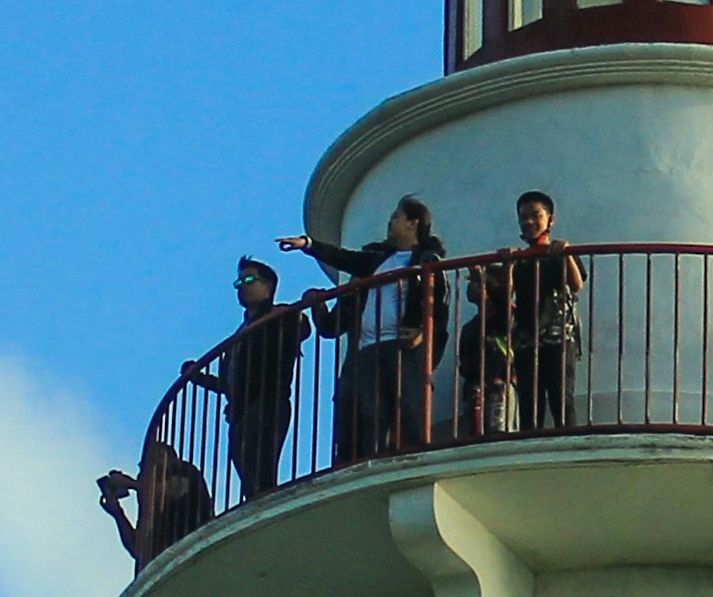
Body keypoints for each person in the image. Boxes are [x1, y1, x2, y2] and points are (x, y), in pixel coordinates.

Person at [289, 196, 447, 462]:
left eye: (396, 217)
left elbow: (438, 305)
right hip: (366, 350)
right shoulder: (375, 262)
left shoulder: (428, 261)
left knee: (407, 404)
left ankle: (417, 458)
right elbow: (344, 258)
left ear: (413, 223)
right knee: (371, 413)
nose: (390, 222)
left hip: (400, 346)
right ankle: (368, 461)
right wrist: (309, 245)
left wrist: (422, 332)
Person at [470, 189, 589, 438]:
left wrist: (565, 254)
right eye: (524, 217)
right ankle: (531, 440)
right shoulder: (521, 260)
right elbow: (508, 293)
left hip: (557, 334)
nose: (529, 222)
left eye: (536, 215)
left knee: (561, 396)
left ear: (550, 219)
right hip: (526, 337)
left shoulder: (558, 253)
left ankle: (569, 444)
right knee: (529, 401)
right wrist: (508, 265)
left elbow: (576, 284)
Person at [215, 254, 306, 499]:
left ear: (268, 286)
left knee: (260, 467)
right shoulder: (241, 332)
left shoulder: (277, 316)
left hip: (267, 402)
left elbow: (301, 328)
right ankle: (256, 502)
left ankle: (264, 503)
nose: (242, 286)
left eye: (249, 280)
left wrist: (292, 314)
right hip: (240, 411)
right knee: (246, 467)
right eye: (239, 282)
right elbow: (231, 384)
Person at [95, 431, 215, 561]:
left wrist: (133, 484)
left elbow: (175, 488)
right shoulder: (149, 503)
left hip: (198, 544)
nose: (143, 470)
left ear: (166, 457)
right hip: (169, 559)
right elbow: (138, 549)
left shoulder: (184, 469)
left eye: (148, 462)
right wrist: (118, 513)